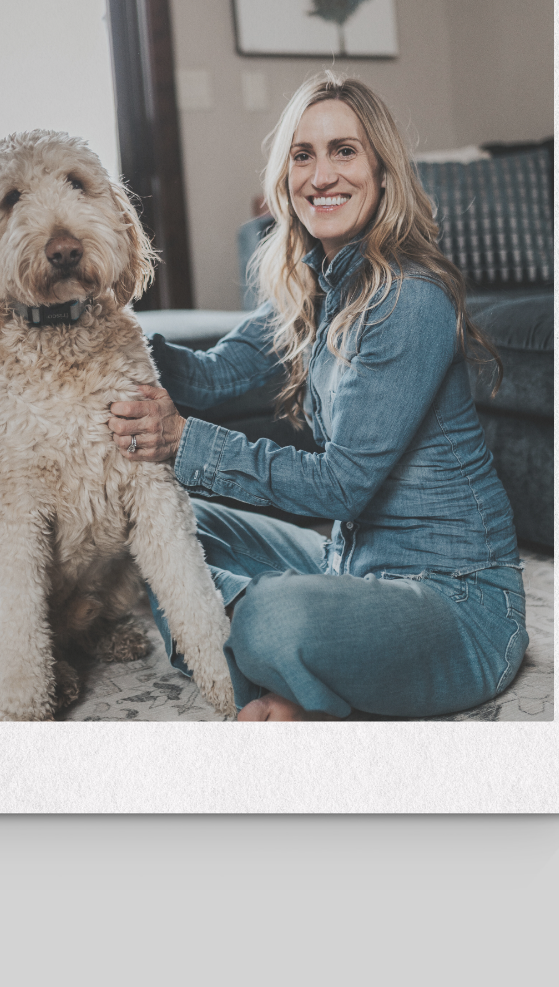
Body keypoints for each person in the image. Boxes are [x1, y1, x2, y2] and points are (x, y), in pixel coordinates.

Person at [107, 72, 528, 721]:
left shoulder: (408, 297)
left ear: (382, 172)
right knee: (166, 524)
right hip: (349, 565)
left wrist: (183, 439)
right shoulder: (312, 285)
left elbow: (342, 489)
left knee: (272, 618)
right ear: (286, 178)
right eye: (303, 155)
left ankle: (277, 675)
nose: (321, 174)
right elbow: (213, 375)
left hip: (458, 603)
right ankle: (285, 687)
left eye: (344, 151)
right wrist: (108, 322)